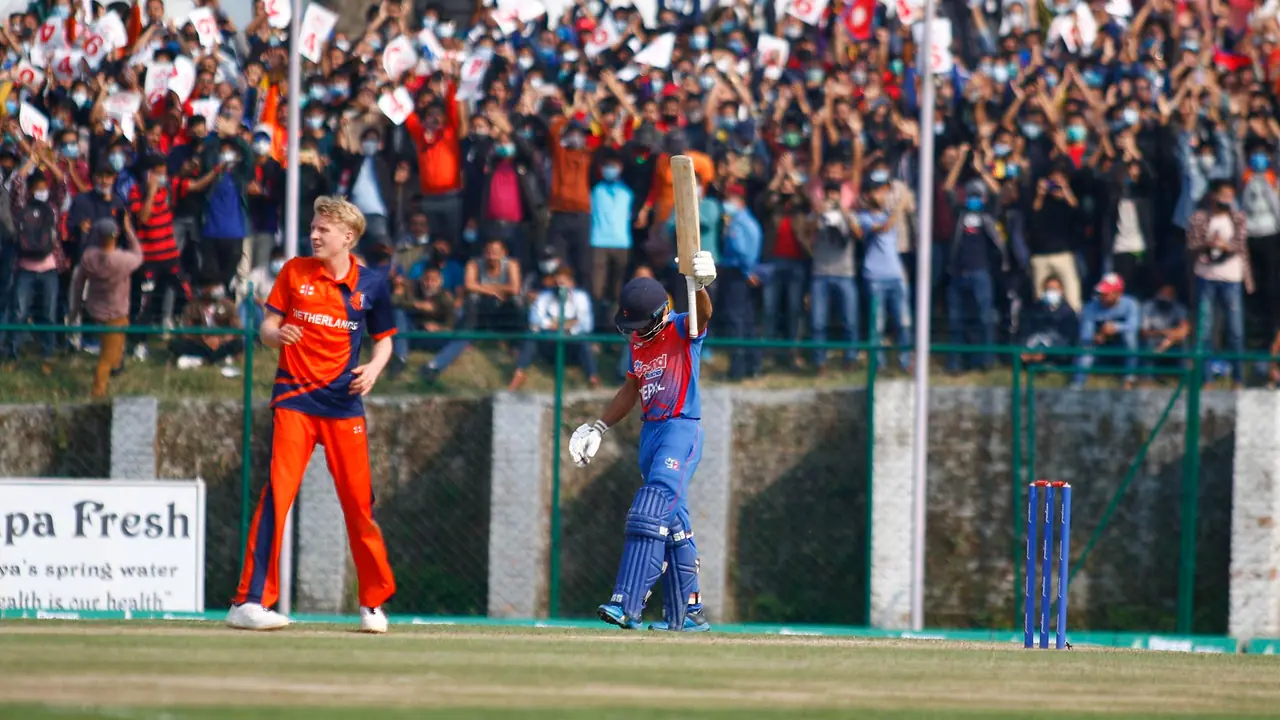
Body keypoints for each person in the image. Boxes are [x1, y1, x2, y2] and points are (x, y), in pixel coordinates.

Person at [227, 196, 397, 634]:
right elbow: (266, 327)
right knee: (277, 497)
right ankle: (248, 602)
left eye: (324, 229)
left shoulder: (373, 284)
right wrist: (276, 334)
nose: (314, 235)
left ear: (349, 237)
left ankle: (372, 604)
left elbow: (385, 341)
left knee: (359, 507)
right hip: (295, 401)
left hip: (344, 406)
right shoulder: (294, 271)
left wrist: (375, 369)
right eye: (313, 227)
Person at [568, 248, 717, 632]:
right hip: (650, 434)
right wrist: (599, 426)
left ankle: (626, 604)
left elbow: (704, 315)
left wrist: (700, 287)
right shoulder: (639, 342)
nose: (633, 331)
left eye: (639, 323)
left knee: (649, 512)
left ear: (659, 314)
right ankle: (689, 615)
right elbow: (630, 389)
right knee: (673, 524)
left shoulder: (682, 328)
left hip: (680, 428)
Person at [69, 218, 142, 397]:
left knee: (113, 345)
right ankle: (98, 391)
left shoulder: (89, 257)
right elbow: (139, 255)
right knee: (107, 356)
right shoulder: (122, 260)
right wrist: (129, 230)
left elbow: (78, 285)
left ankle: (117, 368)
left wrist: (75, 309)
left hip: (95, 309)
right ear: (115, 235)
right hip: (116, 311)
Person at [1073, 273, 1141, 390]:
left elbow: (1134, 326)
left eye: (1106, 293)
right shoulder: (1090, 307)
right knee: (1086, 348)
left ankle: (1129, 379)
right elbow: (1085, 335)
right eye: (1101, 293)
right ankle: (1078, 384)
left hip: (1121, 346)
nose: (1102, 296)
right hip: (1100, 347)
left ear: (1118, 293)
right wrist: (1096, 337)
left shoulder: (1130, 304)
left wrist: (1116, 328)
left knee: (1130, 337)